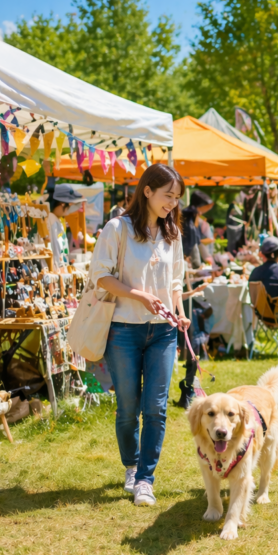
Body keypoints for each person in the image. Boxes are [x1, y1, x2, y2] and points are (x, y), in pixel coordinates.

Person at [91, 164, 187, 507]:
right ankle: (131, 467)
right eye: (168, 196)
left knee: (157, 408)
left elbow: (176, 281)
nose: (173, 204)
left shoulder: (172, 233)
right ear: (147, 191)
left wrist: (179, 310)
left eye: (177, 198)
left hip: (163, 331)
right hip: (123, 330)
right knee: (128, 408)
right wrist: (139, 294)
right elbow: (100, 276)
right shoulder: (117, 228)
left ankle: (146, 478)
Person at [46, 184, 87, 268]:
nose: (70, 209)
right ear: (62, 204)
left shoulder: (56, 220)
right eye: (69, 205)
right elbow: (55, 250)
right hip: (55, 269)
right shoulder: (51, 222)